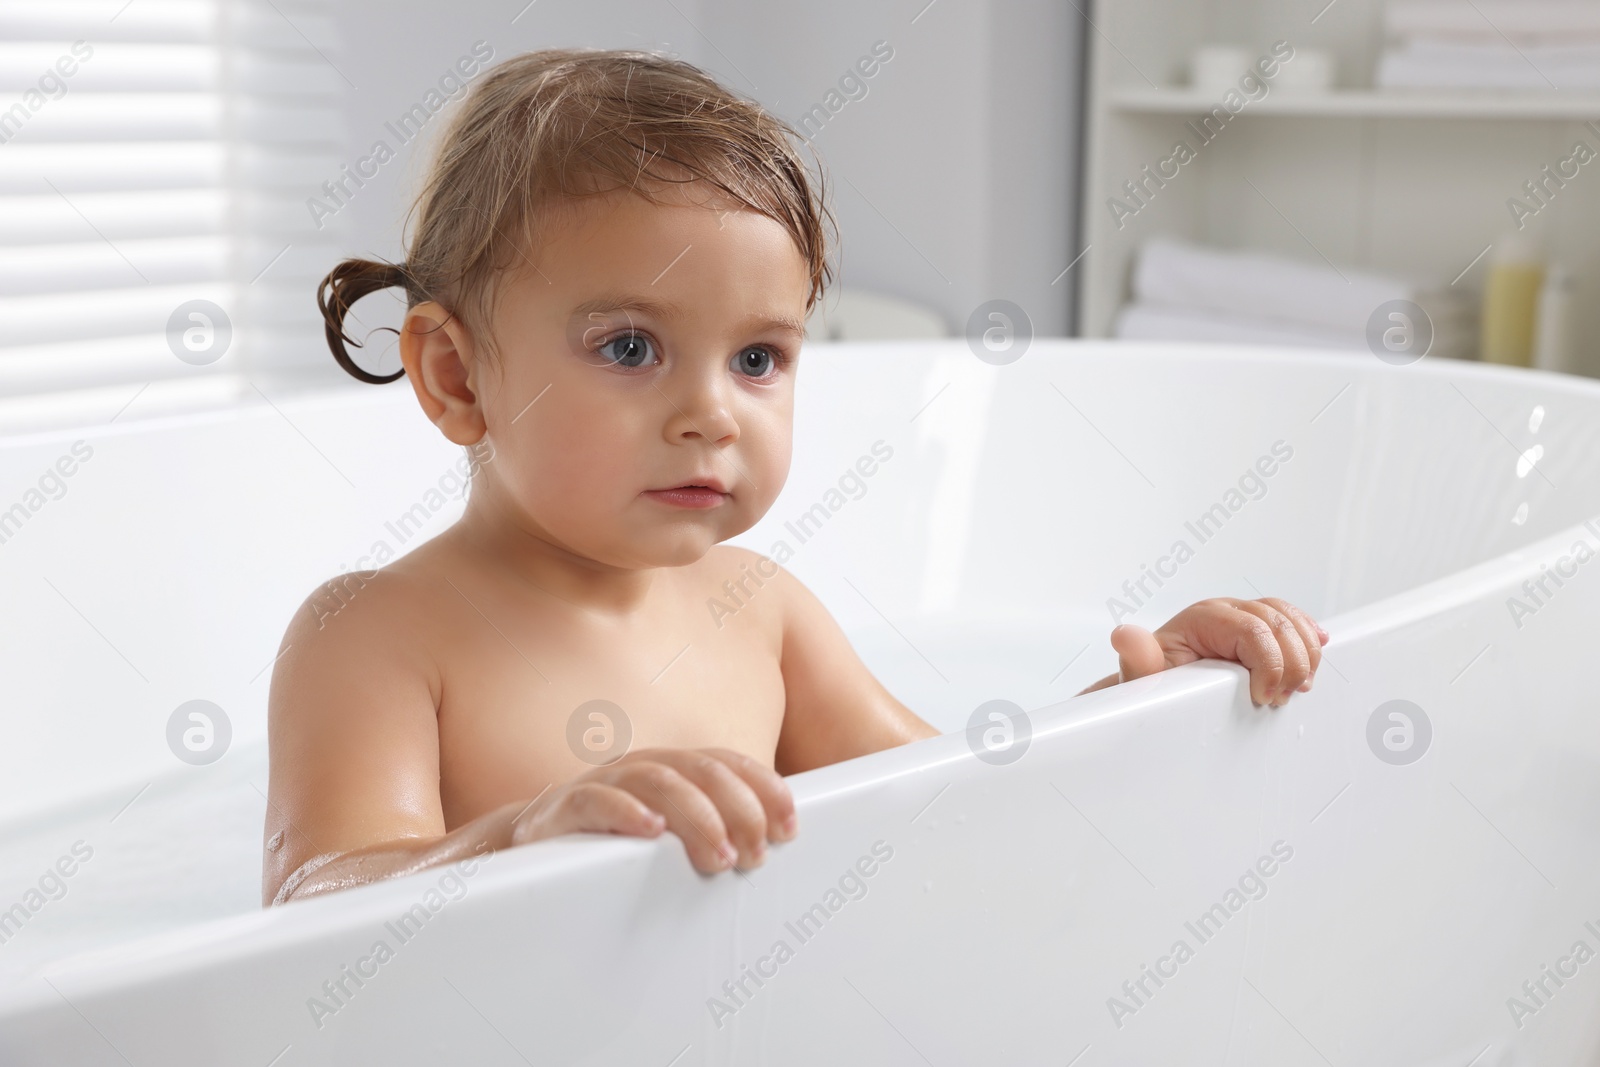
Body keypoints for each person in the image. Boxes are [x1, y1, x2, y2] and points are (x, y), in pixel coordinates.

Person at [262, 49, 1325, 907]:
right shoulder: (374, 632)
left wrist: (1141, 696)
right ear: (455, 375)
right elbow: (316, 896)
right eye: (630, 347)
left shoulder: (761, 610)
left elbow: (948, 796)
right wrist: (526, 831)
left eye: (758, 357)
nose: (712, 412)